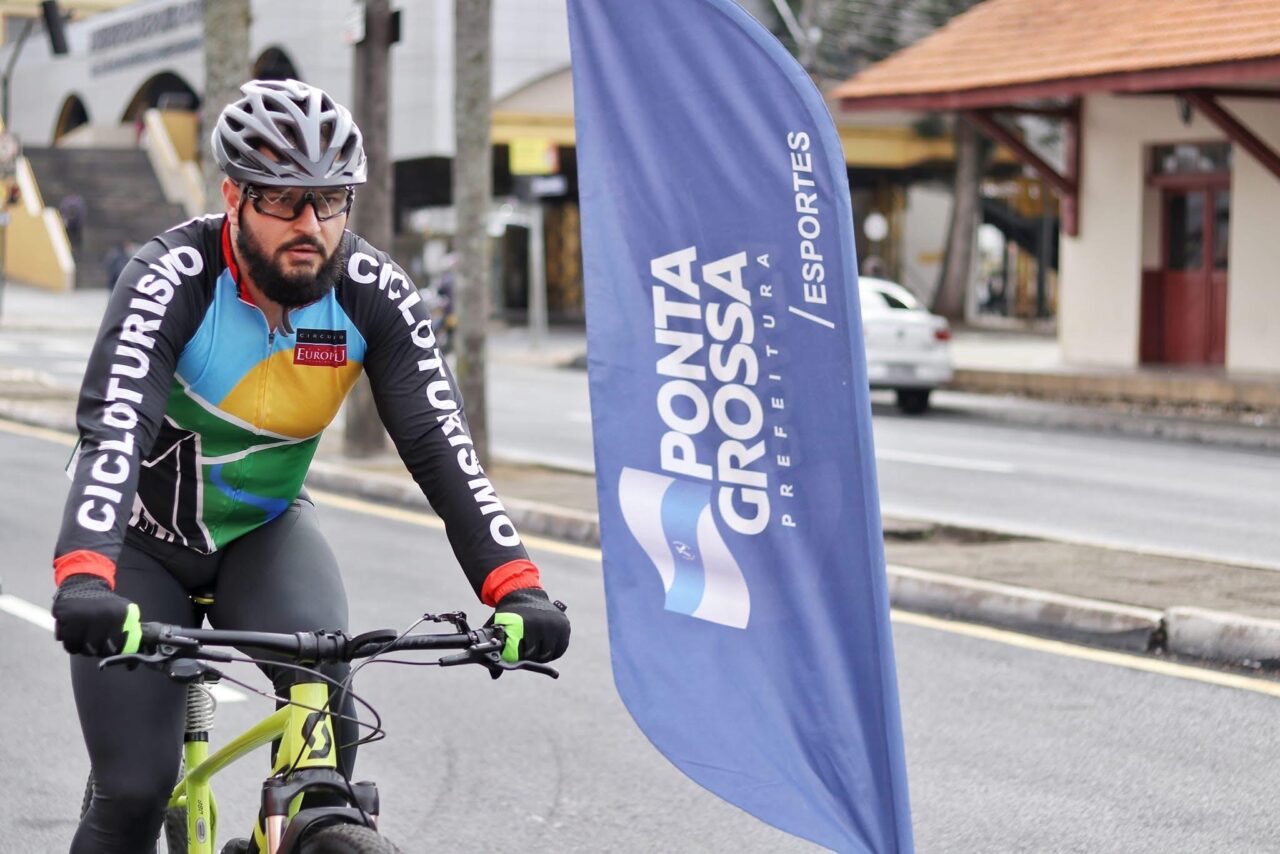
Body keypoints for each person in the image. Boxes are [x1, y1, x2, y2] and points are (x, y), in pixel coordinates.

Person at [49, 79, 571, 854]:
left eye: (331, 202)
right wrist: (85, 577)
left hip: (264, 535)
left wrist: (518, 587)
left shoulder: (373, 295)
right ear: (233, 194)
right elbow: (114, 430)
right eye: (285, 201)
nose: (312, 226)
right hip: (140, 544)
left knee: (323, 758)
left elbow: (442, 450)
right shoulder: (171, 279)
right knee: (132, 791)